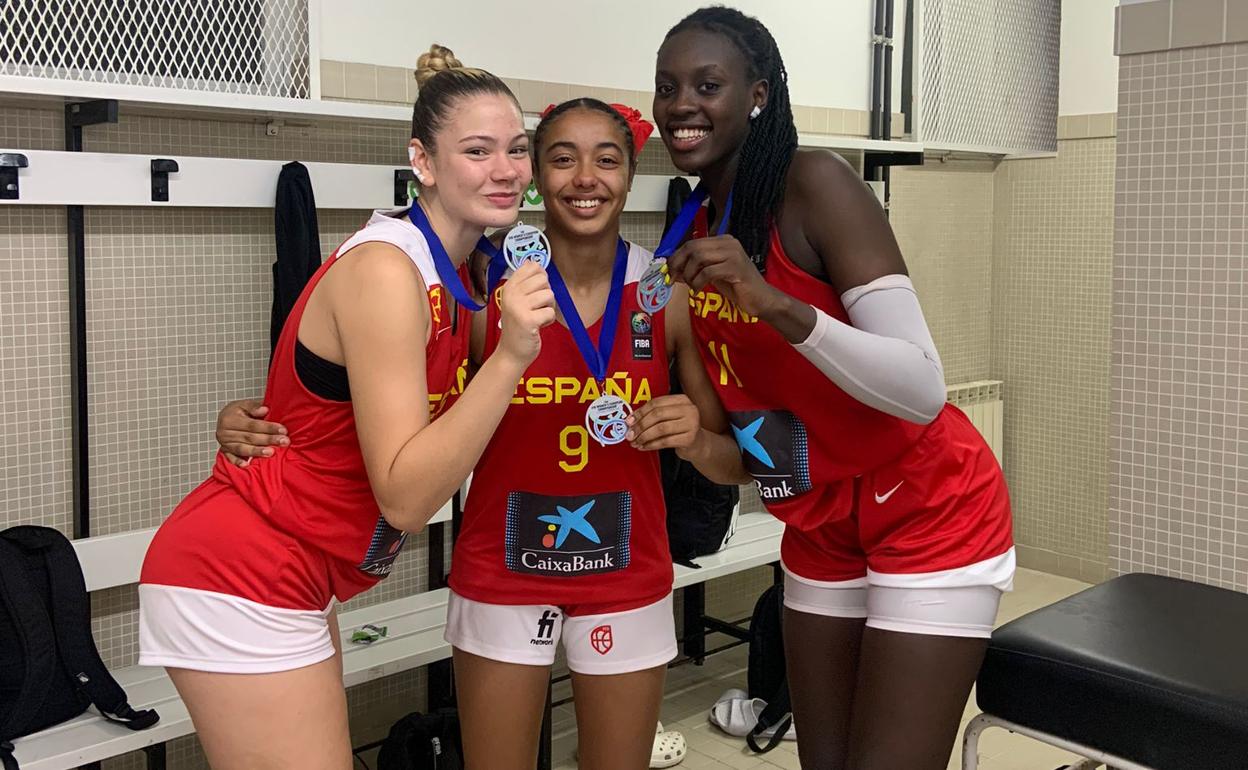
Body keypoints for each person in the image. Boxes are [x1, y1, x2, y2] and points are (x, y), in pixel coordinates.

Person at [213, 98, 746, 770]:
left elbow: (735, 465)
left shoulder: (663, 295)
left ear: (631, 172)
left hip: (627, 571)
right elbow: (385, 403)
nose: (586, 177)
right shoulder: (478, 285)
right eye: (561, 158)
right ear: (535, 176)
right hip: (501, 568)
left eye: (606, 159)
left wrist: (695, 438)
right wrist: (261, 420)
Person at [138, 45, 555, 770]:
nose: (507, 169)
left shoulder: (461, 270)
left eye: (517, 149)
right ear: (422, 161)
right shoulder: (389, 271)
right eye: (478, 150)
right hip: (242, 571)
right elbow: (403, 495)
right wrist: (512, 355)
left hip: (298, 575)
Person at [651, 8, 1015, 769]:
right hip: (817, 520)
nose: (682, 103)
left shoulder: (815, 183)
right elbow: (739, 455)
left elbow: (920, 386)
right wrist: (690, 436)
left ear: (757, 95)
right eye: (668, 86)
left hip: (925, 505)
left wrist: (777, 304)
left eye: (707, 84)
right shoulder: (692, 225)